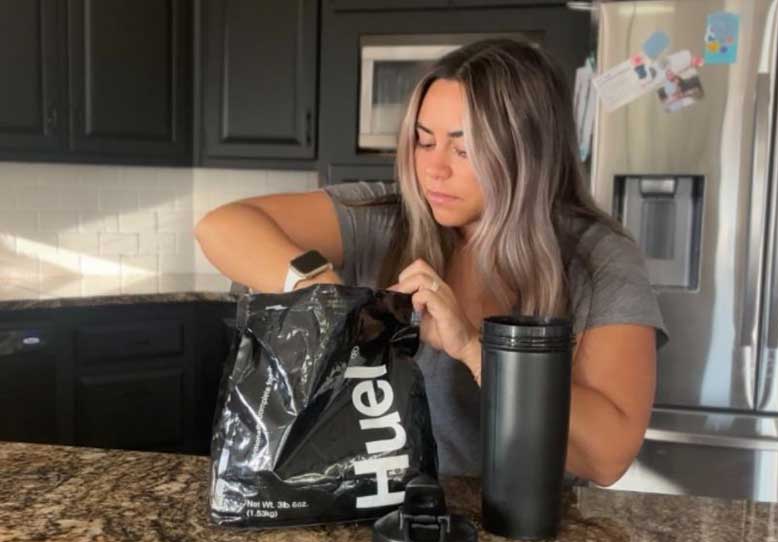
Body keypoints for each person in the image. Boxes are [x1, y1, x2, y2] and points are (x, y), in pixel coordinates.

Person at [195, 39, 668, 486]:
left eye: (464, 149)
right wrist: (326, 292)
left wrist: (473, 348)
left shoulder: (597, 257)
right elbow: (221, 226)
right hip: (371, 513)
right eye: (424, 141)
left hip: (521, 536)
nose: (434, 169)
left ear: (528, 155)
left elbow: (607, 456)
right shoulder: (384, 219)